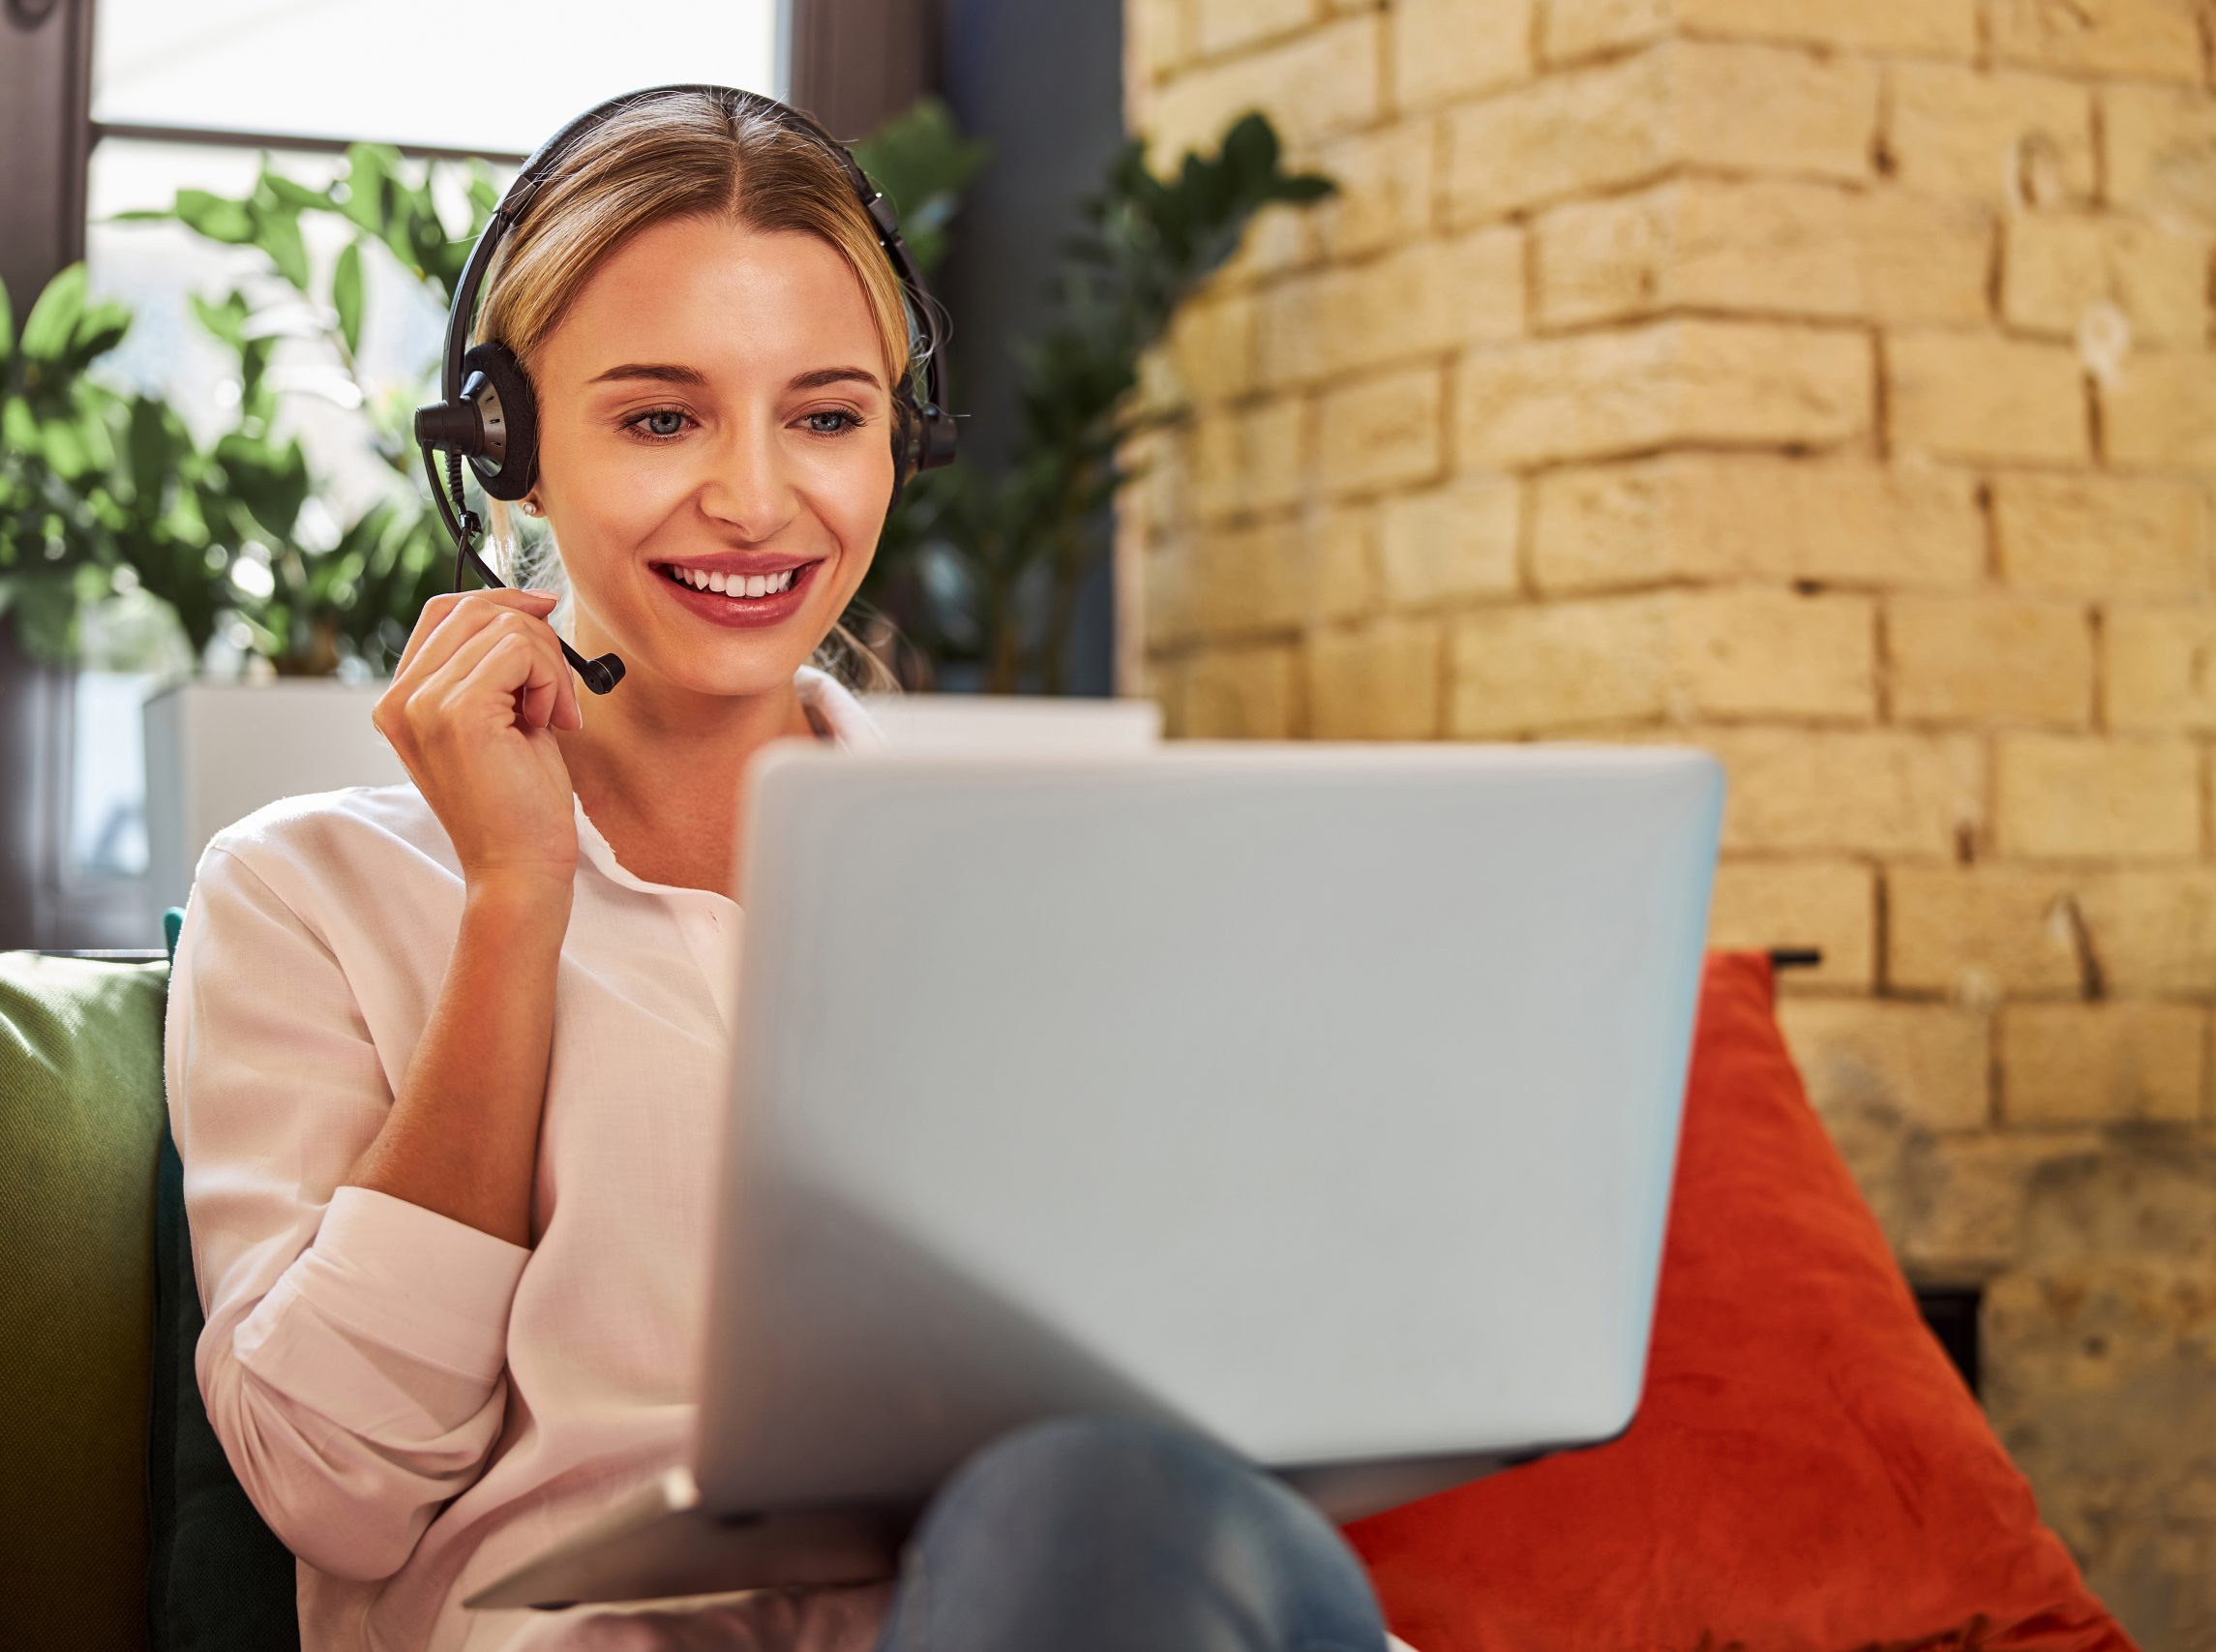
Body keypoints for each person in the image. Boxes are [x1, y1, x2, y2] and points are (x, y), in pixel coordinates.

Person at [165, 86, 1408, 1652]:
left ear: (905, 438)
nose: (756, 500)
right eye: (660, 416)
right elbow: (337, 1486)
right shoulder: (309, 892)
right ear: (512, 447)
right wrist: (514, 901)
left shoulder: (1040, 877)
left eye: (826, 416)